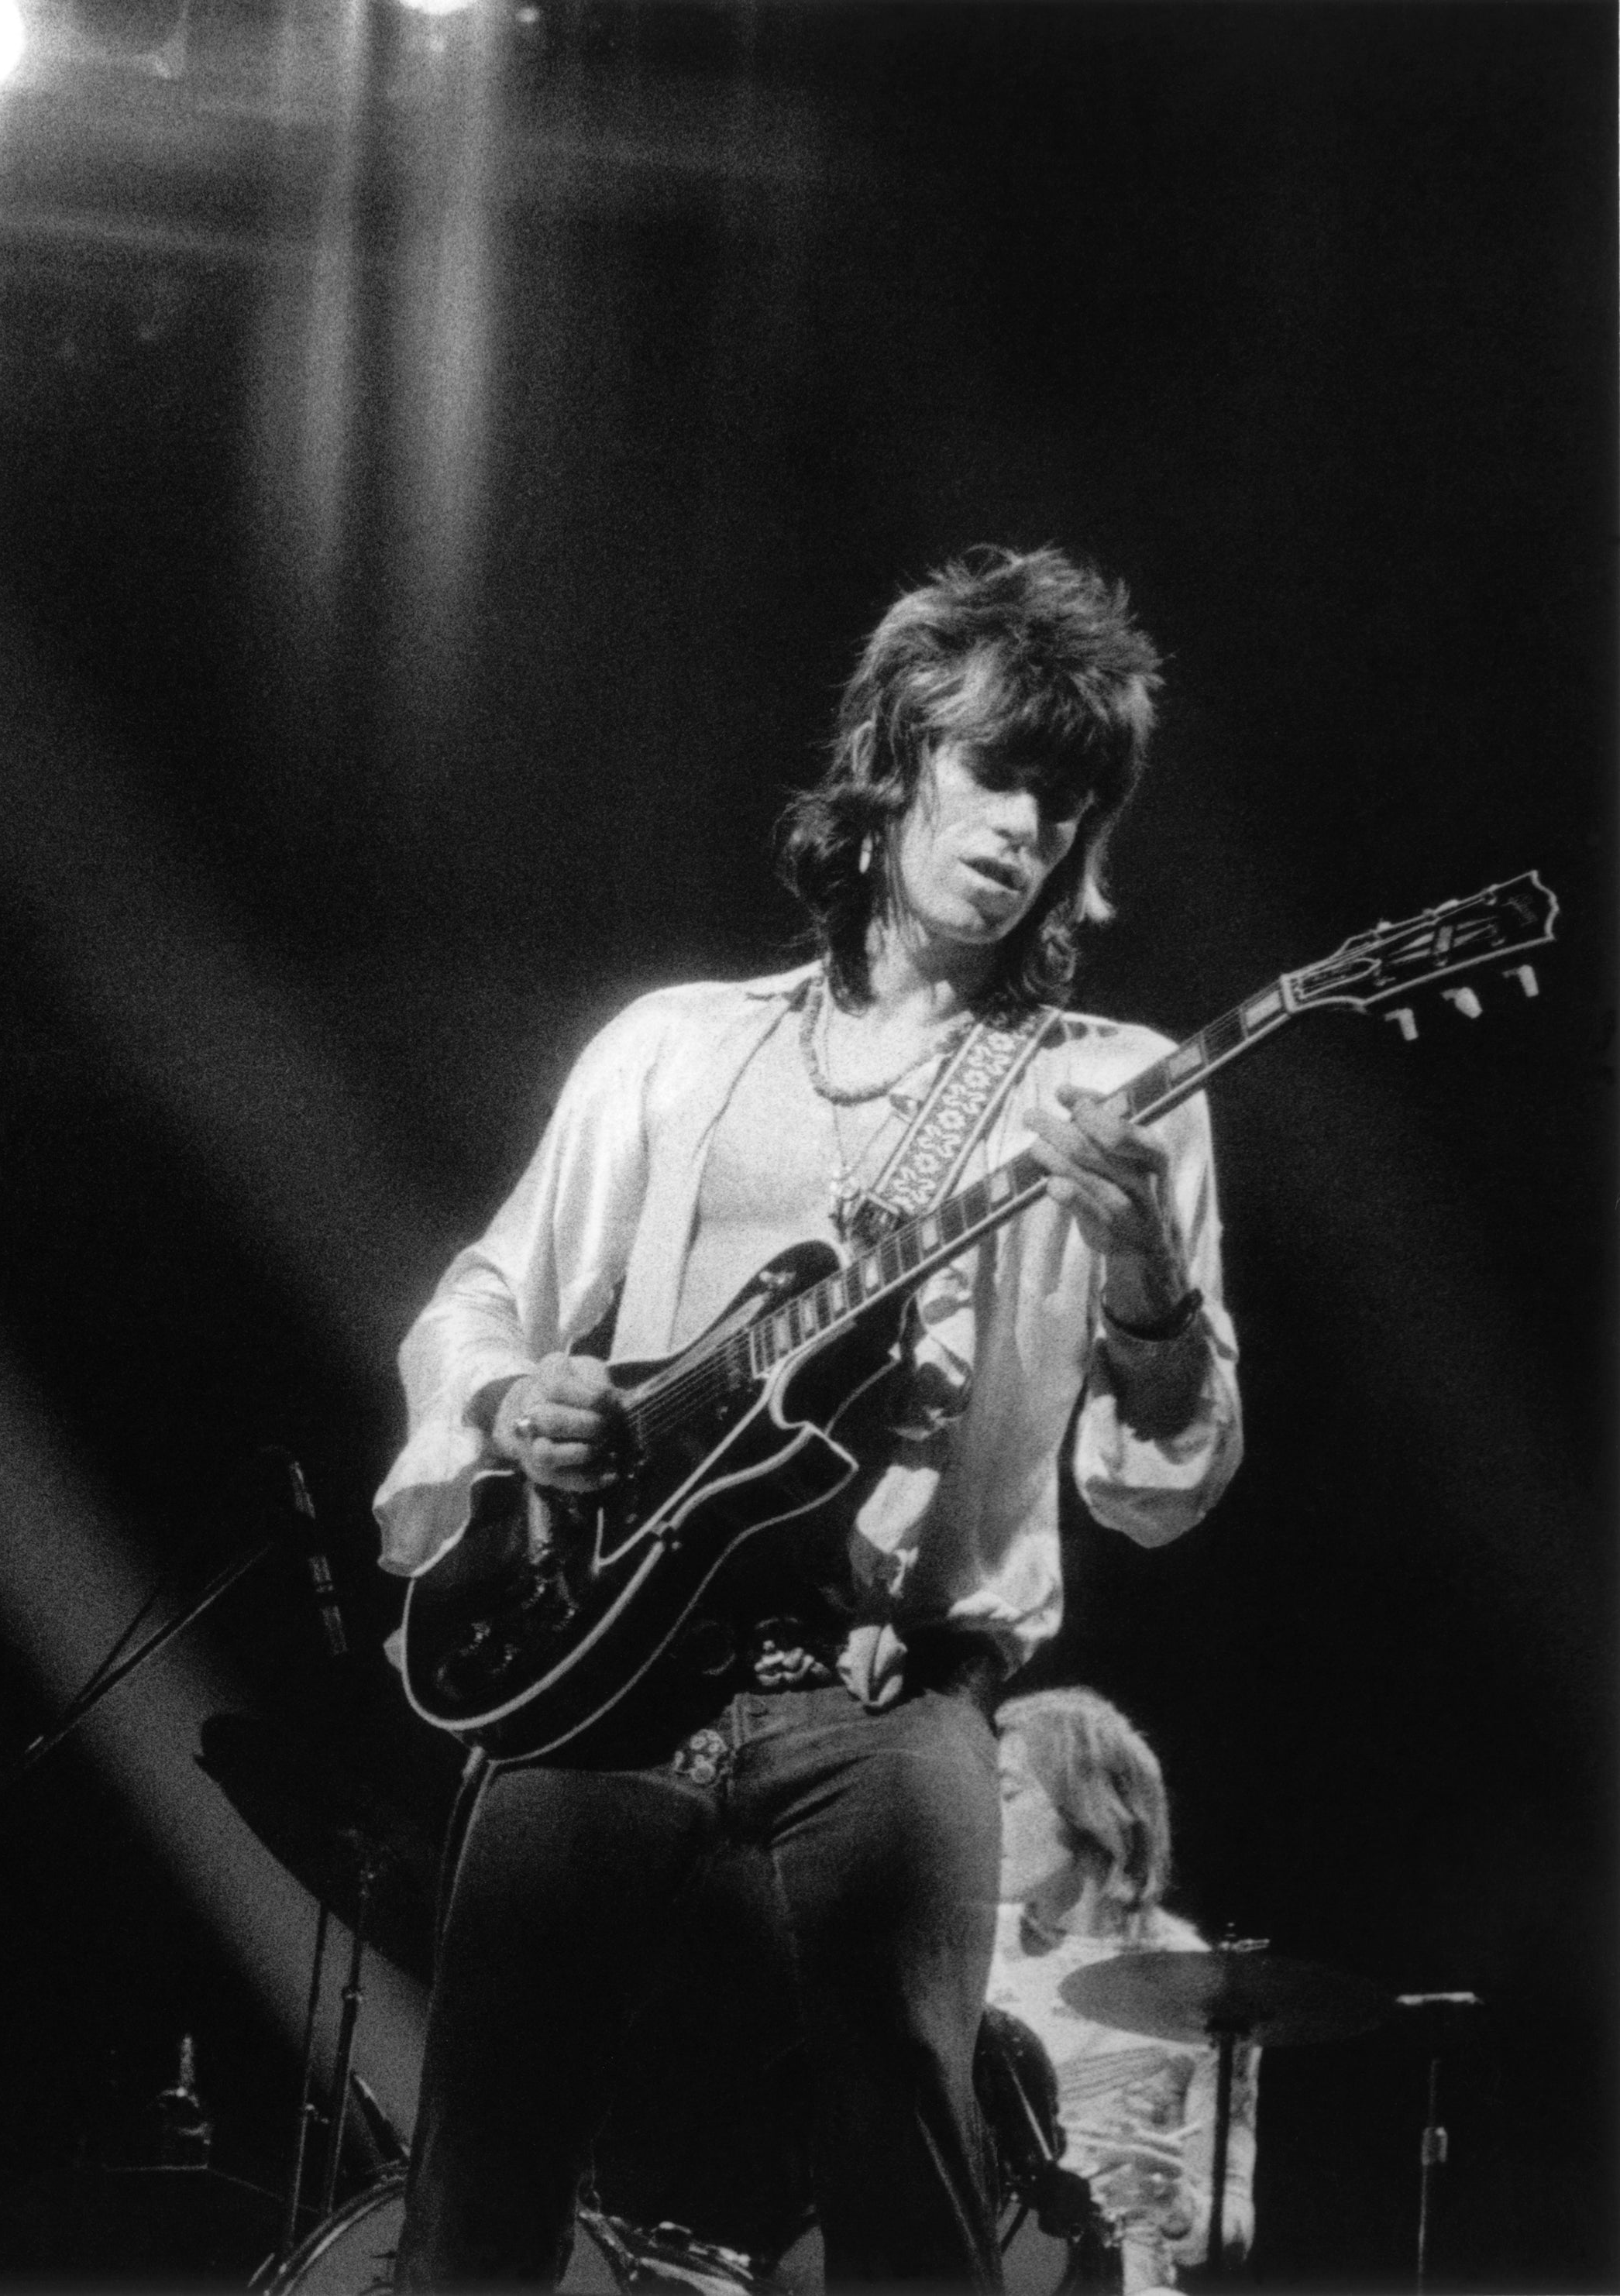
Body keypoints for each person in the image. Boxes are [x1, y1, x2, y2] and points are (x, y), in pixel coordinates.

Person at [373, 545, 1243, 2287]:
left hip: (889, 1690)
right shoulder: (678, 1044)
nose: (1027, 829)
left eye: (1068, 803)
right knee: (481, 2154)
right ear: (896, 756)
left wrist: (1147, 1268)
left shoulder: (1110, 1084)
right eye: (997, 771)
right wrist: (512, 1399)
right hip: (606, 1654)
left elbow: (1159, 1479)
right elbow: (481, 1293)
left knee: (907, 2149)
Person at [985, 1687, 1254, 2291]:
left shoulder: (1207, 1988)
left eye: (1008, 1793)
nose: (983, 1817)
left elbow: (1232, 2226)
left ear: (1089, 1807)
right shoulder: (969, 1948)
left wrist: (1176, 2204)